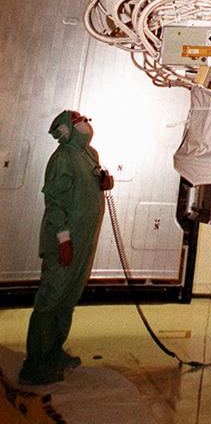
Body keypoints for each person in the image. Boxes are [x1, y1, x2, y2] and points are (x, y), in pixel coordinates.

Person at [19, 110, 112, 385]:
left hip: (83, 242)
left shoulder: (89, 155)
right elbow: (55, 202)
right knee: (51, 297)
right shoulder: (62, 159)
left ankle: (54, 352)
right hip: (65, 242)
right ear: (65, 130)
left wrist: (105, 183)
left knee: (69, 297)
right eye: (77, 119)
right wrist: (63, 240)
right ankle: (34, 365)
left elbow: (89, 185)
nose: (85, 121)